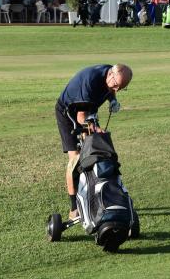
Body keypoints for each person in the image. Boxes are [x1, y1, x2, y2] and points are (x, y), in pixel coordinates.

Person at [55, 63, 133, 220]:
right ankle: (74, 208)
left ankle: (98, 195)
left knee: (96, 150)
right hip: (68, 113)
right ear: (110, 76)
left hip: (88, 110)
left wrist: (112, 100)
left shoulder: (111, 73)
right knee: (76, 158)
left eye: (121, 88)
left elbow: (109, 91)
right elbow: (80, 117)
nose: (117, 90)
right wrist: (96, 129)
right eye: (116, 86)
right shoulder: (90, 81)